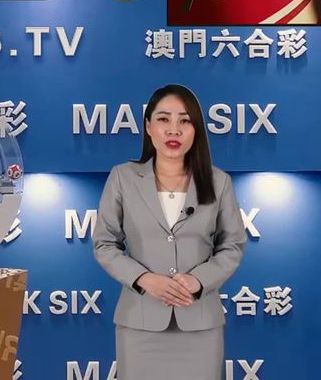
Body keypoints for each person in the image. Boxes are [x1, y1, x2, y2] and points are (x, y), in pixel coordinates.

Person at [92, 84, 246, 380]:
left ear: (196, 130)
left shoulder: (219, 181)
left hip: (200, 324)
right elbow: (104, 244)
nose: (174, 130)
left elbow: (233, 245)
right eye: (164, 119)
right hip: (140, 324)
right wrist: (144, 279)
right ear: (148, 126)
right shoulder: (123, 178)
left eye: (184, 121)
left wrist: (198, 281)